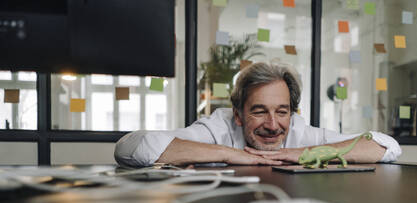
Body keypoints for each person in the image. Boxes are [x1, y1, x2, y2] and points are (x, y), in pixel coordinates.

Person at [114, 62, 401, 167]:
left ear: (292, 112)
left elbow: (386, 146)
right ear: (238, 115)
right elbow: (132, 146)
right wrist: (227, 154)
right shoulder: (218, 129)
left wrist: (306, 153)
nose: (273, 125)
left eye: (282, 111)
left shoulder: (301, 133)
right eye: (259, 111)